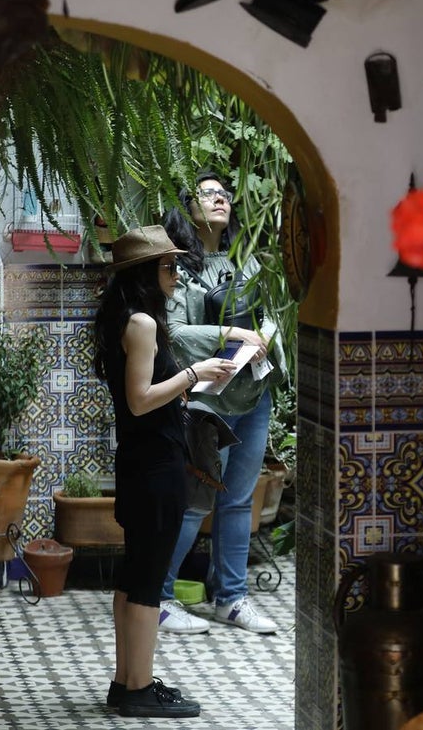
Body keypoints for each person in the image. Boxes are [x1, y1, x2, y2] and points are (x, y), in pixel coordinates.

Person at [92, 225, 238, 718]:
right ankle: (139, 688)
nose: (177, 273)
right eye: (168, 266)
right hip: (154, 465)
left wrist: (189, 384)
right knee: (148, 581)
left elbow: (145, 396)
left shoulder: (131, 320)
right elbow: (139, 401)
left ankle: (128, 682)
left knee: (135, 577)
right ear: (143, 274)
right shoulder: (142, 324)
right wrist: (195, 375)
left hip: (143, 460)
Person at [156, 171, 286, 635]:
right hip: (207, 401)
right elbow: (170, 332)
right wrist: (230, 333)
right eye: (208, 193)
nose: (220, 200)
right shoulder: (176, 267)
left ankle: (231, 598)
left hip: (252, 393)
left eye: (225, 194)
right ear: (186, 206)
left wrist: (266, 337)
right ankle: (160, 597)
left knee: (239, 500)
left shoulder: (245, 261)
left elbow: (269, 315)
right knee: (196, 500)